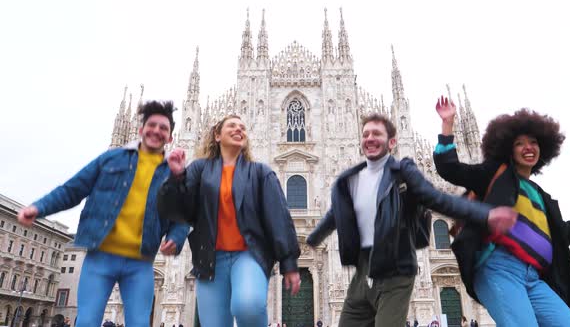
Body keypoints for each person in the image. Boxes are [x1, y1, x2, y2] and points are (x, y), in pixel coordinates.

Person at [306, 113, 517, 327]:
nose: (370, 139)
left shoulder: (403, 171)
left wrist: (484, 213)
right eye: (366, 134)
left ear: (392, 142)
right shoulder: (353, 178)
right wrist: (311, 241)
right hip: (363, 270)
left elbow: (437, 199)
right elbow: (336, 213)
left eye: (377, 134)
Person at [17, 101, 190, 327]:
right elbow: (73, 189)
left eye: (164, 128)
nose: (157, 130)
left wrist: (175, 238)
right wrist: (39, 208)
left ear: (170, 138)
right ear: (141, 130)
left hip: (140, 261)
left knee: (138, 323)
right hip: (102, 255)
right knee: (87, 321)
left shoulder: (171, 172)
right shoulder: (111, 159)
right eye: (152, 125)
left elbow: (182, 214)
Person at [434, 97, 570, 326]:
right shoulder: (495, 175)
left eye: (534, 142)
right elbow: (450, 168)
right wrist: (447, 125)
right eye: (520, 143)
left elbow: (564, 232)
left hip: (534, 276)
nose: (528, 147)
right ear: (508, 148)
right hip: (499, 268)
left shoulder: (540, 195)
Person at [158, 115, 301, 327]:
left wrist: (289, 262)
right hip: (210, 259)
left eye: (242, 127)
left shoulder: (261, 173)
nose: (238, 129)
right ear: (217, 135)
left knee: (248, 306)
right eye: (231, 126)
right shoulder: (200, 169)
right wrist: (176, 178)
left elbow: (279, 218)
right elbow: (180, 209)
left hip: (249, 254)